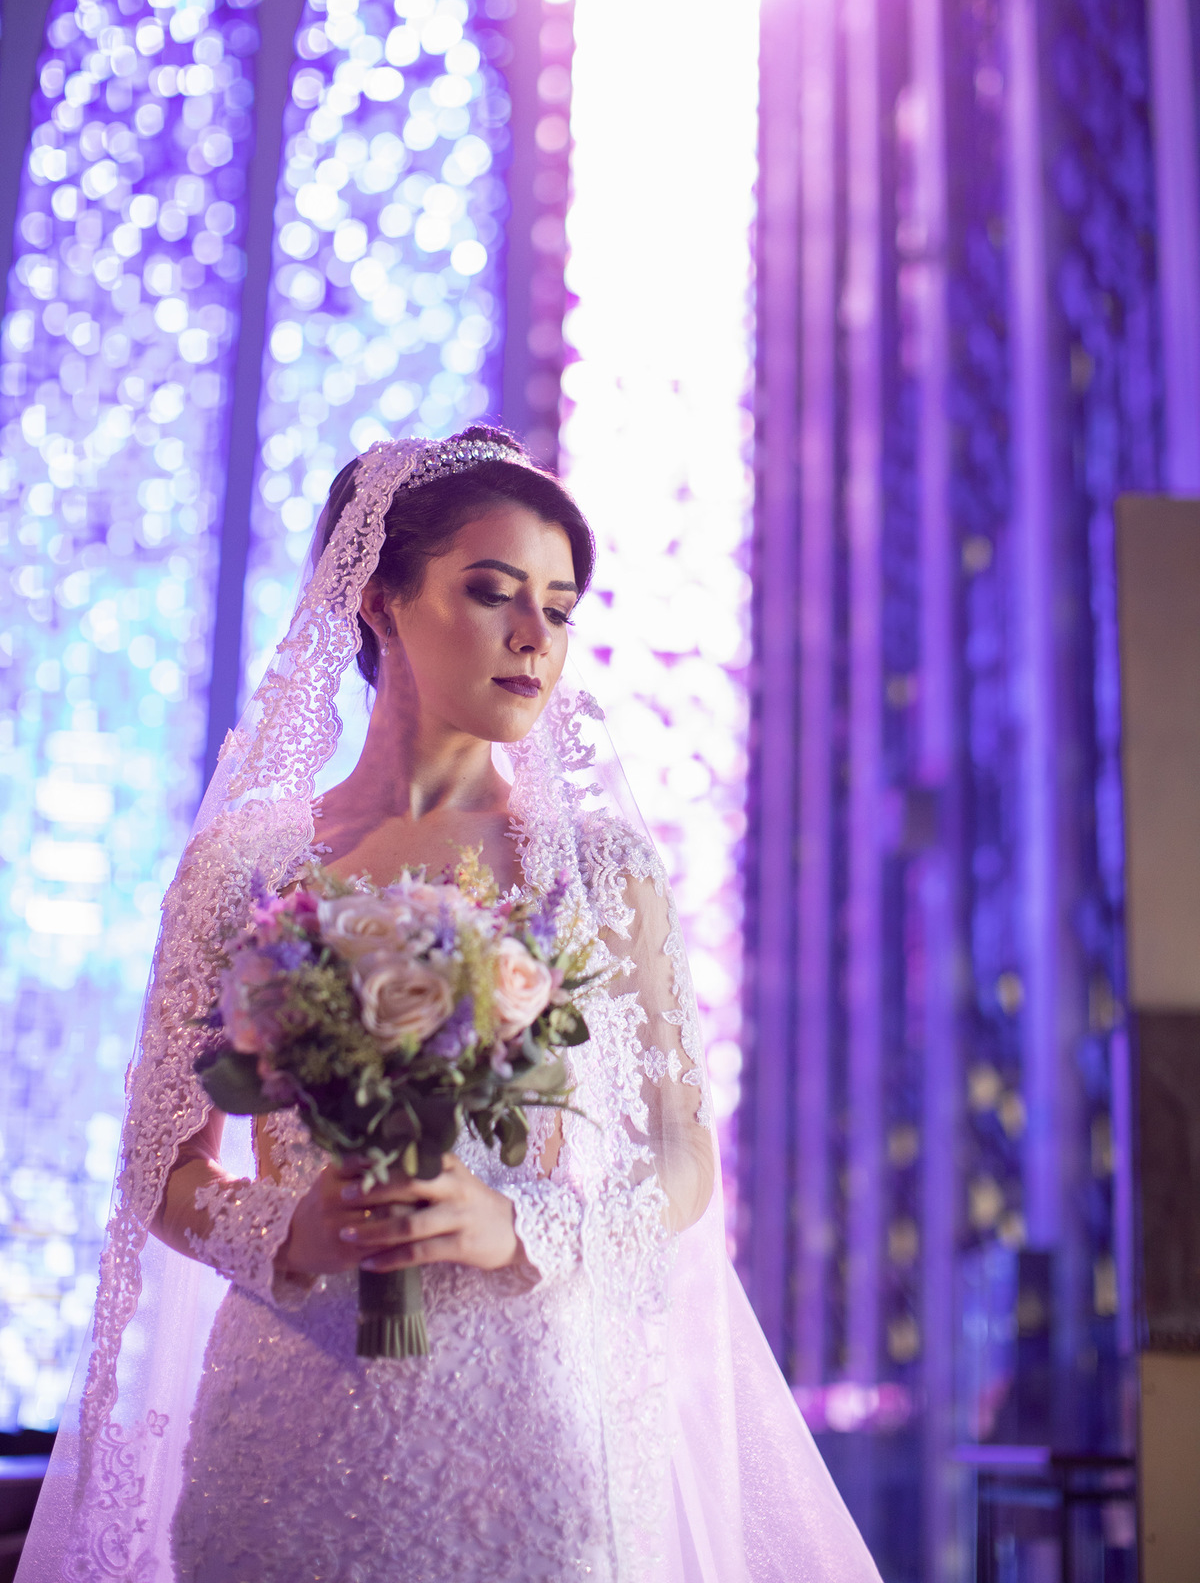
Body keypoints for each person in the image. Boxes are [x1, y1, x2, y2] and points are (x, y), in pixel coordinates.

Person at [17, 429, 882, 1583]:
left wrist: (520, 1224)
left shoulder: (598, 872)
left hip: (524, 1429)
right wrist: (287, 1231)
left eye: (559, 609)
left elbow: (683, 1162)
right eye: (492, 592)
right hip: (286, 1416)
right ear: (378, 599)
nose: (536, 636)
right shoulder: (245, 866)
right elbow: (157, 1168)